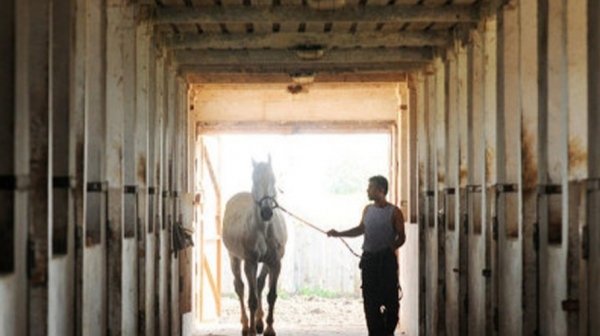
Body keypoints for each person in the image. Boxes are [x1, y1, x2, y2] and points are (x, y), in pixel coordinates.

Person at [327, 175, 406, 336]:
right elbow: (360, 229)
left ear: (381, 190)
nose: (367, 190)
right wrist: (338, 233)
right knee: (371, 305)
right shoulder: (367, 210)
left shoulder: (395, 212)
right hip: (369, 262)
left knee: (392, 305)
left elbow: (402, 236)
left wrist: (391, 248)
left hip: (386, 263)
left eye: (370, 187)